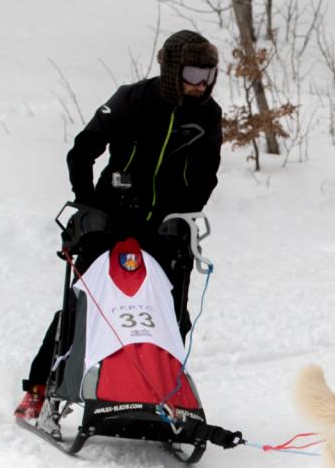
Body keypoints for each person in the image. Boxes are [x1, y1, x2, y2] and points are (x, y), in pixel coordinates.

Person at [15, 29, 224, 420]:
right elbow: (83, 149)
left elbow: (206, 177)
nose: (201, 85)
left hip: (164, 228)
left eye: (209, 75)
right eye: (193, 74)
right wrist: (88, 204)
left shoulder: (209, 115)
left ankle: (160, 391)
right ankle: (42, 387)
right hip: (111, 219)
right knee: (83, 304)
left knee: (171, 312)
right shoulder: (132, 99)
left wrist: (182, 215)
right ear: (172, 70)